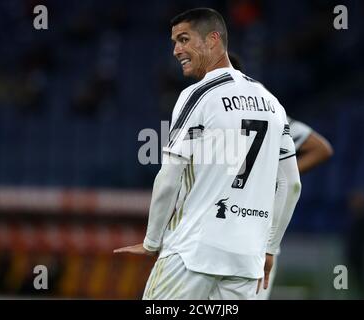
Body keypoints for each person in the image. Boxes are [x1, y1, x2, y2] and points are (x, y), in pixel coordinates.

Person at [114, 8, 301, 300]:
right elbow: (291, 185)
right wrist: (270, 248)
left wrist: (152, 241)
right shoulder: (272, 103)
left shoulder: (199, 95)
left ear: (213, 39)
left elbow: (169, 176)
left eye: (184, 39)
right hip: (246, 260)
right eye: (175, 42)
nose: (176, 50)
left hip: (192, 252)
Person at [228, 52, 333, 299]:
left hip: (244, 233)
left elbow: (320, 149)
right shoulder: (268, 112)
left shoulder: (265, 113)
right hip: (243, 232)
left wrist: (273, 176)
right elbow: (321, 149)